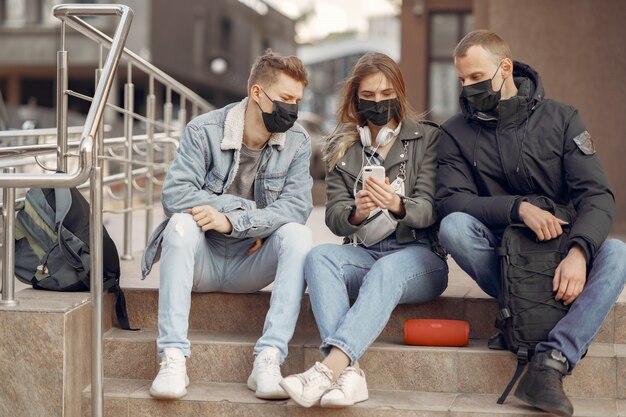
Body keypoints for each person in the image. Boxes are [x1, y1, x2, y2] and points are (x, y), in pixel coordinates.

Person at [436, 30, 626, 417]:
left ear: (505, 68)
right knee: (453, 226)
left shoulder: (562, 117)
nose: (468, 87)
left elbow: (597, 196)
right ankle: (520, 313)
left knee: (619, 253)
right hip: (503, 252)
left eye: (476, 77)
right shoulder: (454, 132)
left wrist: (579, 252)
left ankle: (552, 360)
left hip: (559, 250)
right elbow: (451, 200)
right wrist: (518, 208)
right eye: (462, 80)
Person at [141, 50, 314, 400]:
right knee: (179, 224)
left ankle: (268, 359)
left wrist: (236, 221)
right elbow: (175, 195)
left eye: (297, 101)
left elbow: (296, 207)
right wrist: (241, 214)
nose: (292, 110)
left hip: (251, 263)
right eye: (284, 99)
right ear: (256, 93)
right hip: (201, 260)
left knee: (298, 235)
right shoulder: (203, 130)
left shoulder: (298, 142)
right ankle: (172, 357)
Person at [280, 52, 449, 408]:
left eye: (386, 93)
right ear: (355, 98)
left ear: (399, 94)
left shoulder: (427, 139)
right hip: (366, 253)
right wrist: (356, 213)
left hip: (420, 257)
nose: (377, 102)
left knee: (388, 268)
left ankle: (327, 371)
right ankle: (350, 375)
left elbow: (434, 209)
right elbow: (334, 217)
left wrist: (397, 204)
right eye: (368, 96)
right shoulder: (341, 144)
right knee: (319, 256)